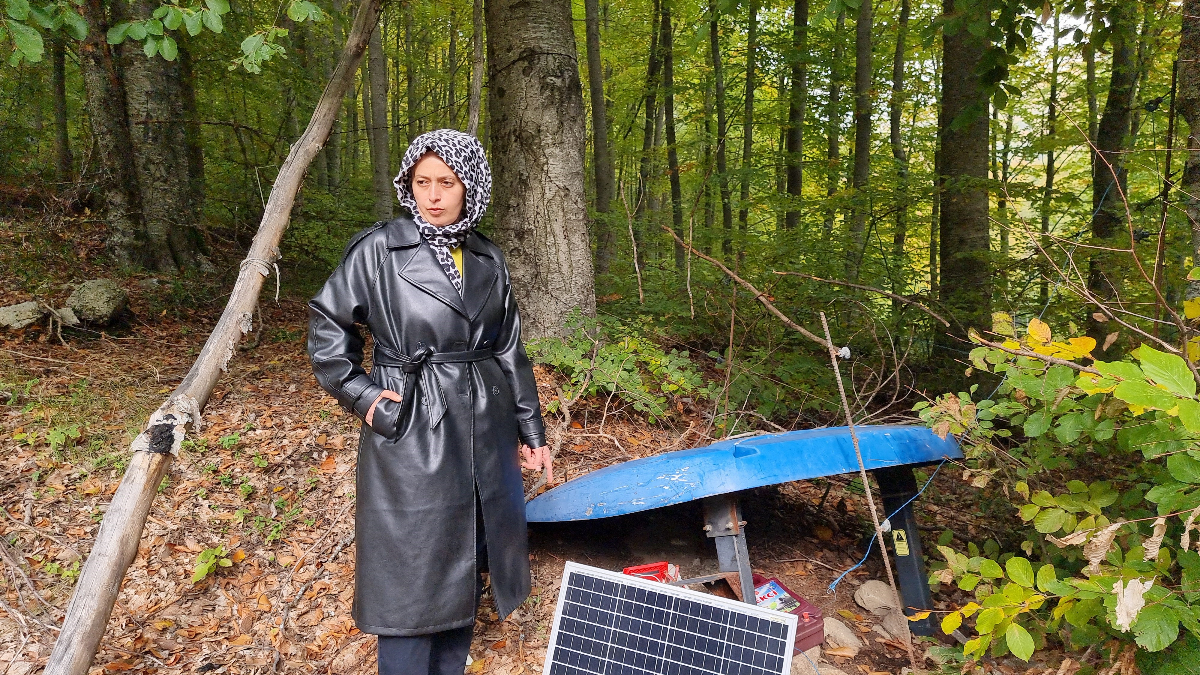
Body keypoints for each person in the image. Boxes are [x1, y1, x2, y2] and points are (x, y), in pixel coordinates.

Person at [307, 128, 552, 675]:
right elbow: (328, 328)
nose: (434, 195)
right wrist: (366, 398)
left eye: (447, 182)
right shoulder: (380, 249)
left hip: (485, 426)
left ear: (471, 187)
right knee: (412, 574)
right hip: (413, 422)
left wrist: (530, 431)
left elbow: (509, 348)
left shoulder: (487, 256)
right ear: (408, 185)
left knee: (465, 562)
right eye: (422, 182)